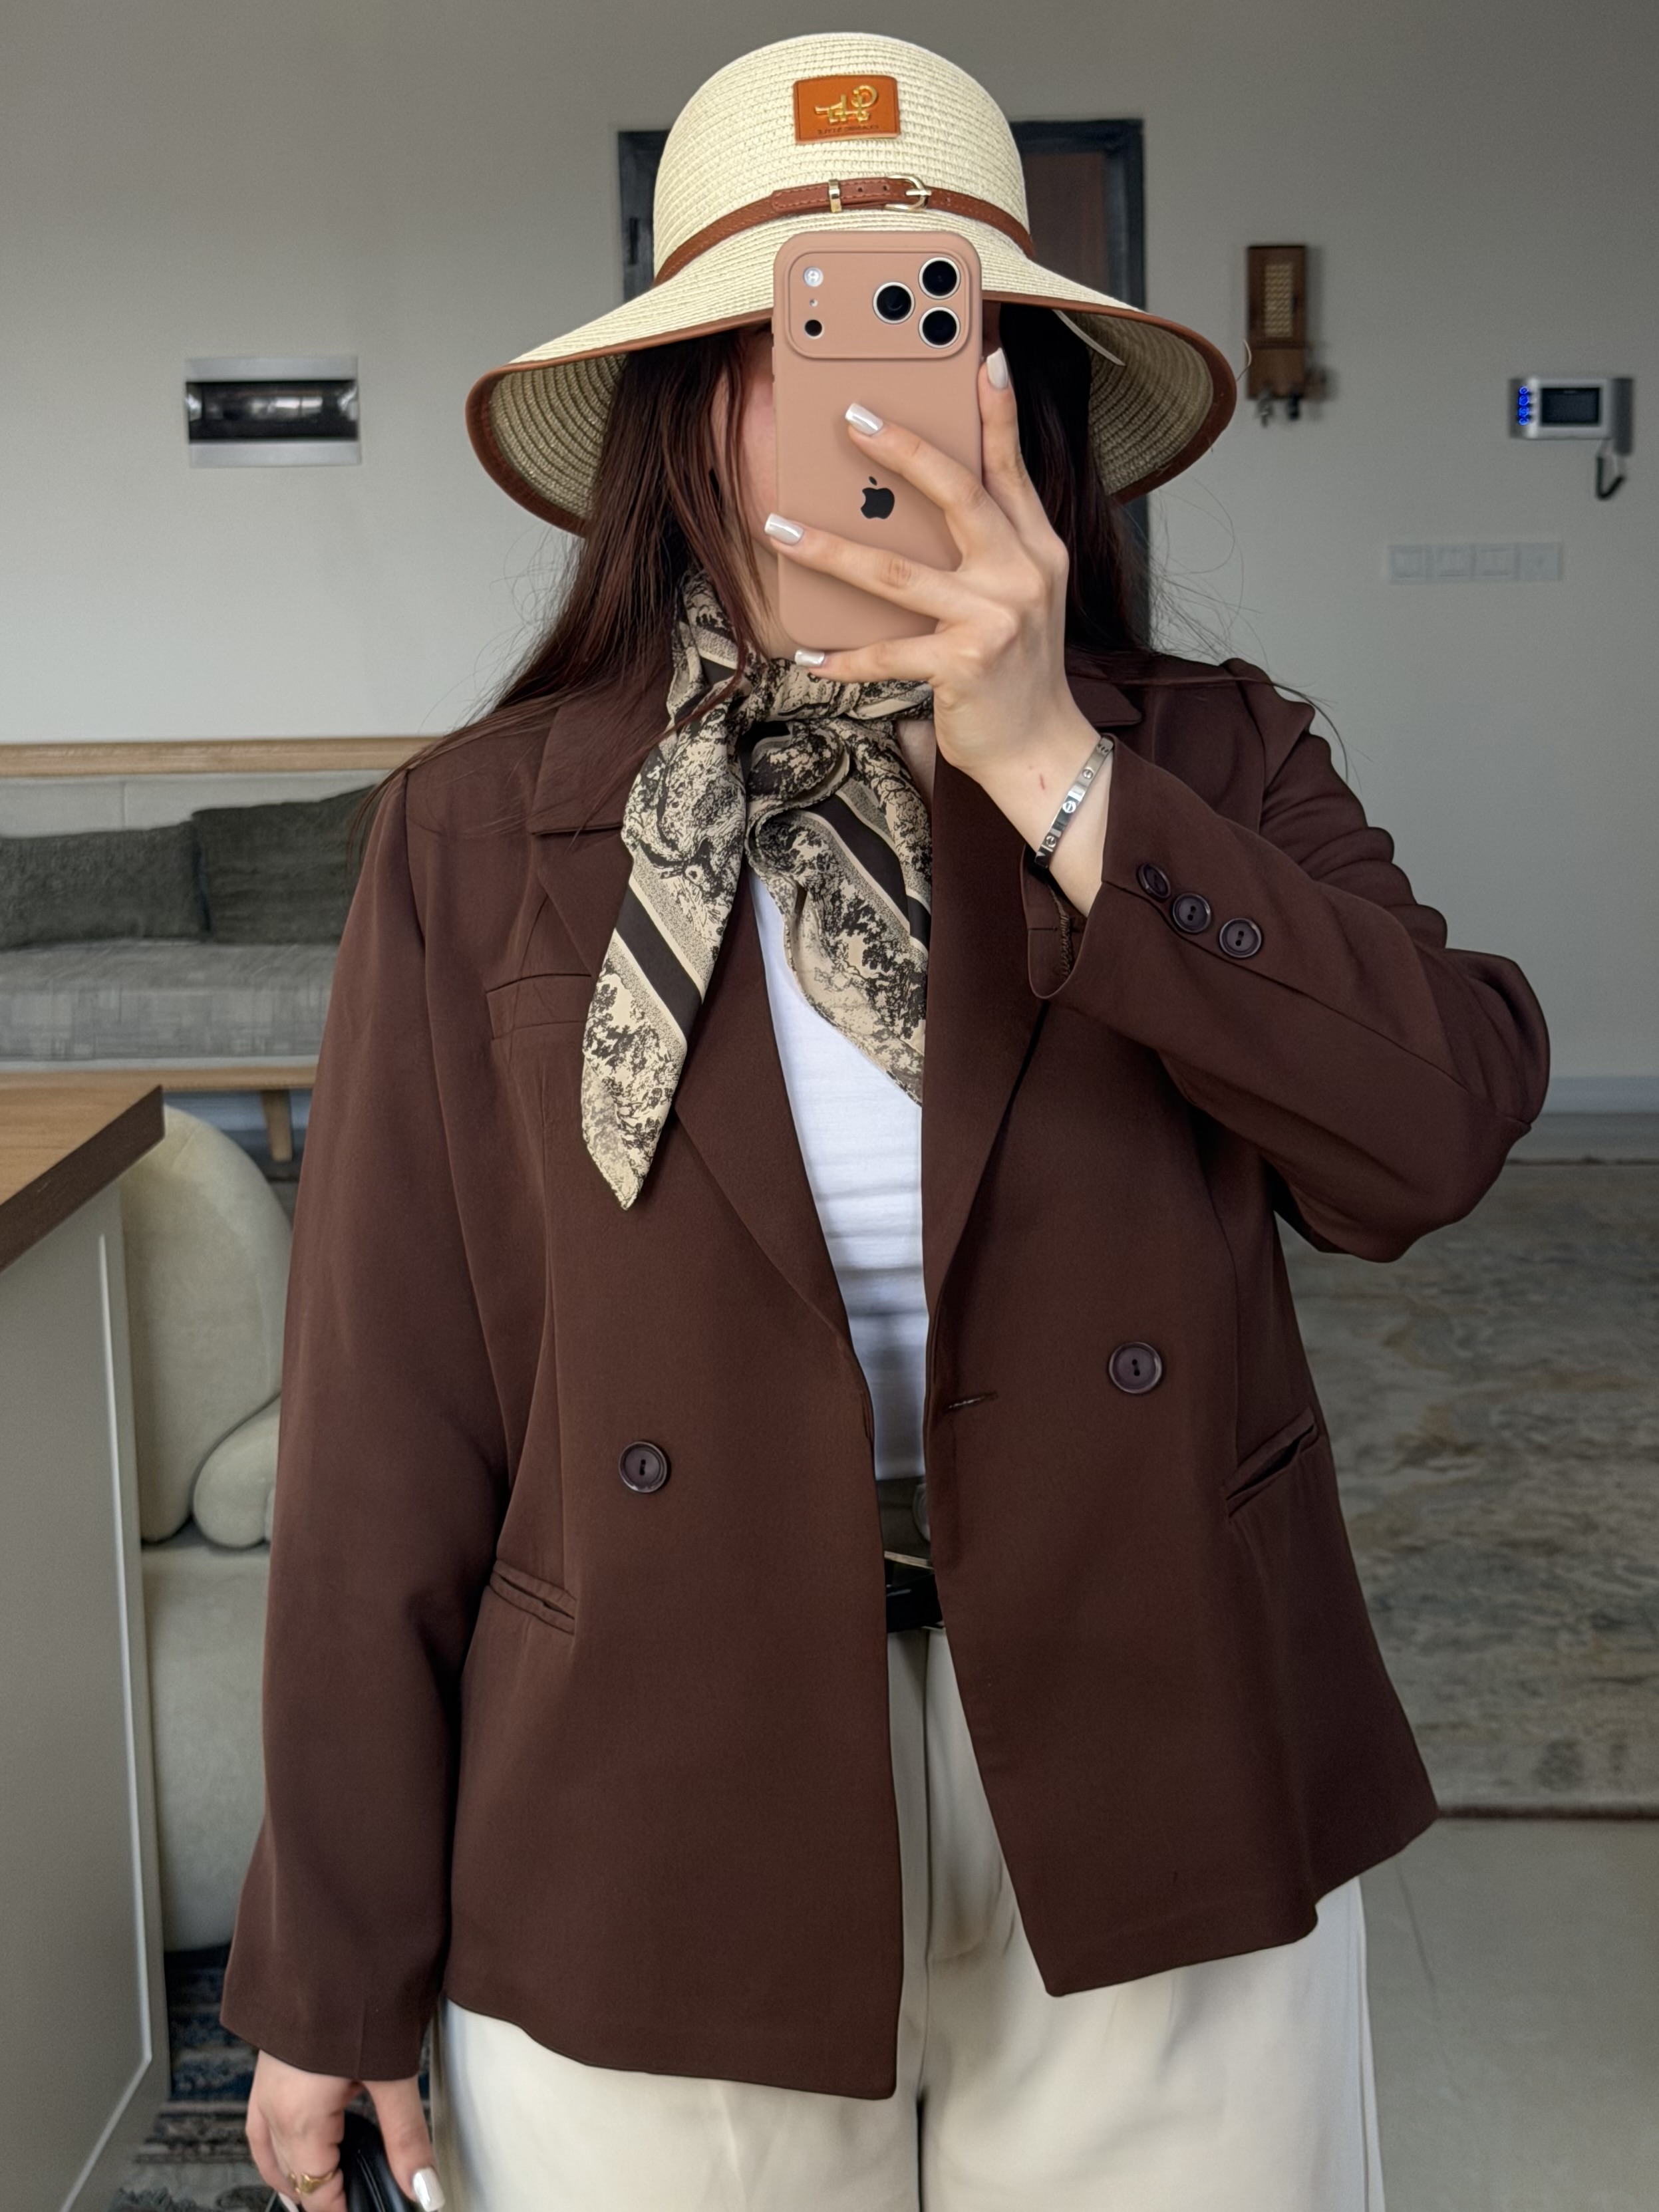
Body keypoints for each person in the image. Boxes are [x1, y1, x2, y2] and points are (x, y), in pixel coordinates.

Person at [222, 31, 1548, 2212]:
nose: (876, 405)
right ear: (683, 406)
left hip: (1157, 1736)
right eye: (797, 337)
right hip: (652, 1765)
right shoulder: (478, 833)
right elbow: (390, 1418)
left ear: (1029, 400)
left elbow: (1433, 1134)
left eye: (944, 333)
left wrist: (1048, 767)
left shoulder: (1204, 761)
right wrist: (331, 1959)